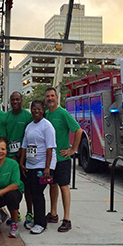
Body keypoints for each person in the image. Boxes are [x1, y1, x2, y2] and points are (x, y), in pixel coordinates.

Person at [45, 87, 83, 232]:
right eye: (48, 96)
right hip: (50, 159)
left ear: (57, 97)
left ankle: (66, 218)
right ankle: (53, 213)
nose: (50, 98)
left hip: (62, 157)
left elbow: (78, 130)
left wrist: (73, 149)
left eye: (52, 96)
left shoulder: (63, 113)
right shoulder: (46, 114)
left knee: (64, 186)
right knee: (52, 185)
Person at [20, 100, 57, 234]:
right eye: (34, 109)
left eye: (39, 109)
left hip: (43, 165)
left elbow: (50, 148)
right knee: (30, 191)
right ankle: (36, 219)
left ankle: (41, 223)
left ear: (43, 110)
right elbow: (24, 146)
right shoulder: (29, 126)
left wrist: (47, 168)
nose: (36, 111)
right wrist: (22, 163)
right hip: (30, 165)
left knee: (37, 192)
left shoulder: (47, 126)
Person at [0, 91, 33, 228]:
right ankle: (15, 212)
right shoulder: (5, 117)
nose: (15, 102)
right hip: (10, 158)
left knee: (28, 187)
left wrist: (22, 152)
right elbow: (3, 138)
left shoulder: (28, 116)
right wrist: (7, 154)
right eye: (12, 100)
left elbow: (32, 134)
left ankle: (30, 213)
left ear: (21, 100)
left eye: (17, 99)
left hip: (26, 157)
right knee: (13, 186)